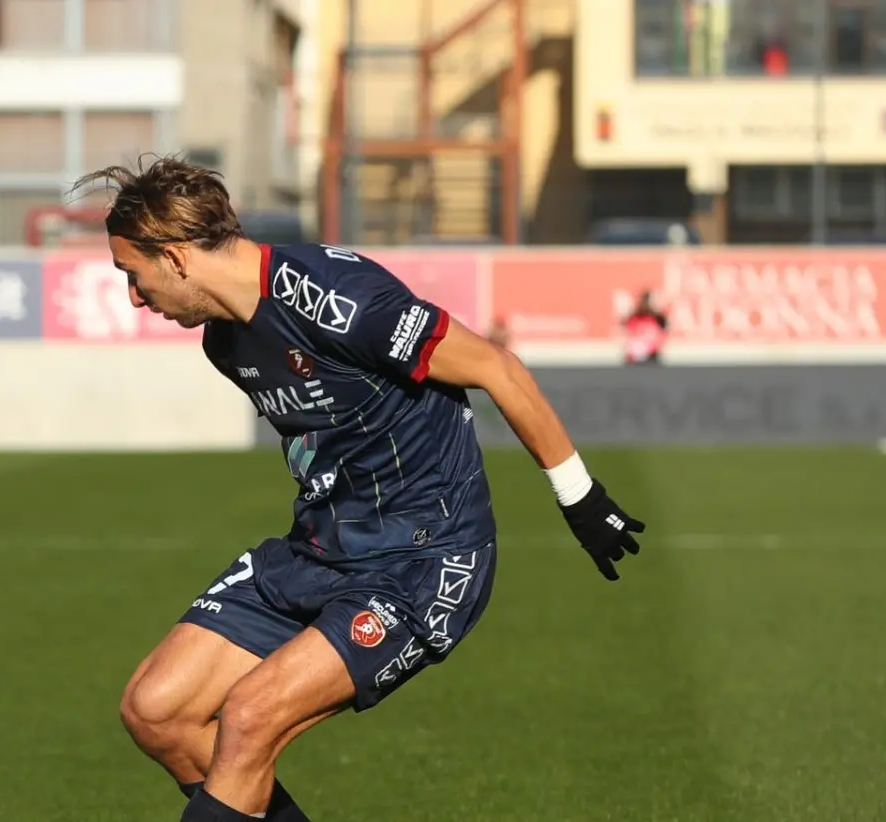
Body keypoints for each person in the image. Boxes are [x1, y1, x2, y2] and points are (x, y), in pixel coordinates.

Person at [74, 156, 648, 822]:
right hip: (319, 550)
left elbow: (494, 366)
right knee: (157, 710)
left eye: (133, 276)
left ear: (173, 258)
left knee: (251, 717)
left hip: (423, 559)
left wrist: (580, 497)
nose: (135, 298)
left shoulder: (334, 298)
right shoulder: (224, 343)